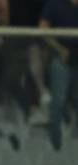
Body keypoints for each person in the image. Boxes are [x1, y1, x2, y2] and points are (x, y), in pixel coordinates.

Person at [40, 0, 78, 150]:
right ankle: (56, 146)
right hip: (62, 59)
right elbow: (43, 29)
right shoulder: (54, 3)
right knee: (58, 102)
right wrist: (59, 49)